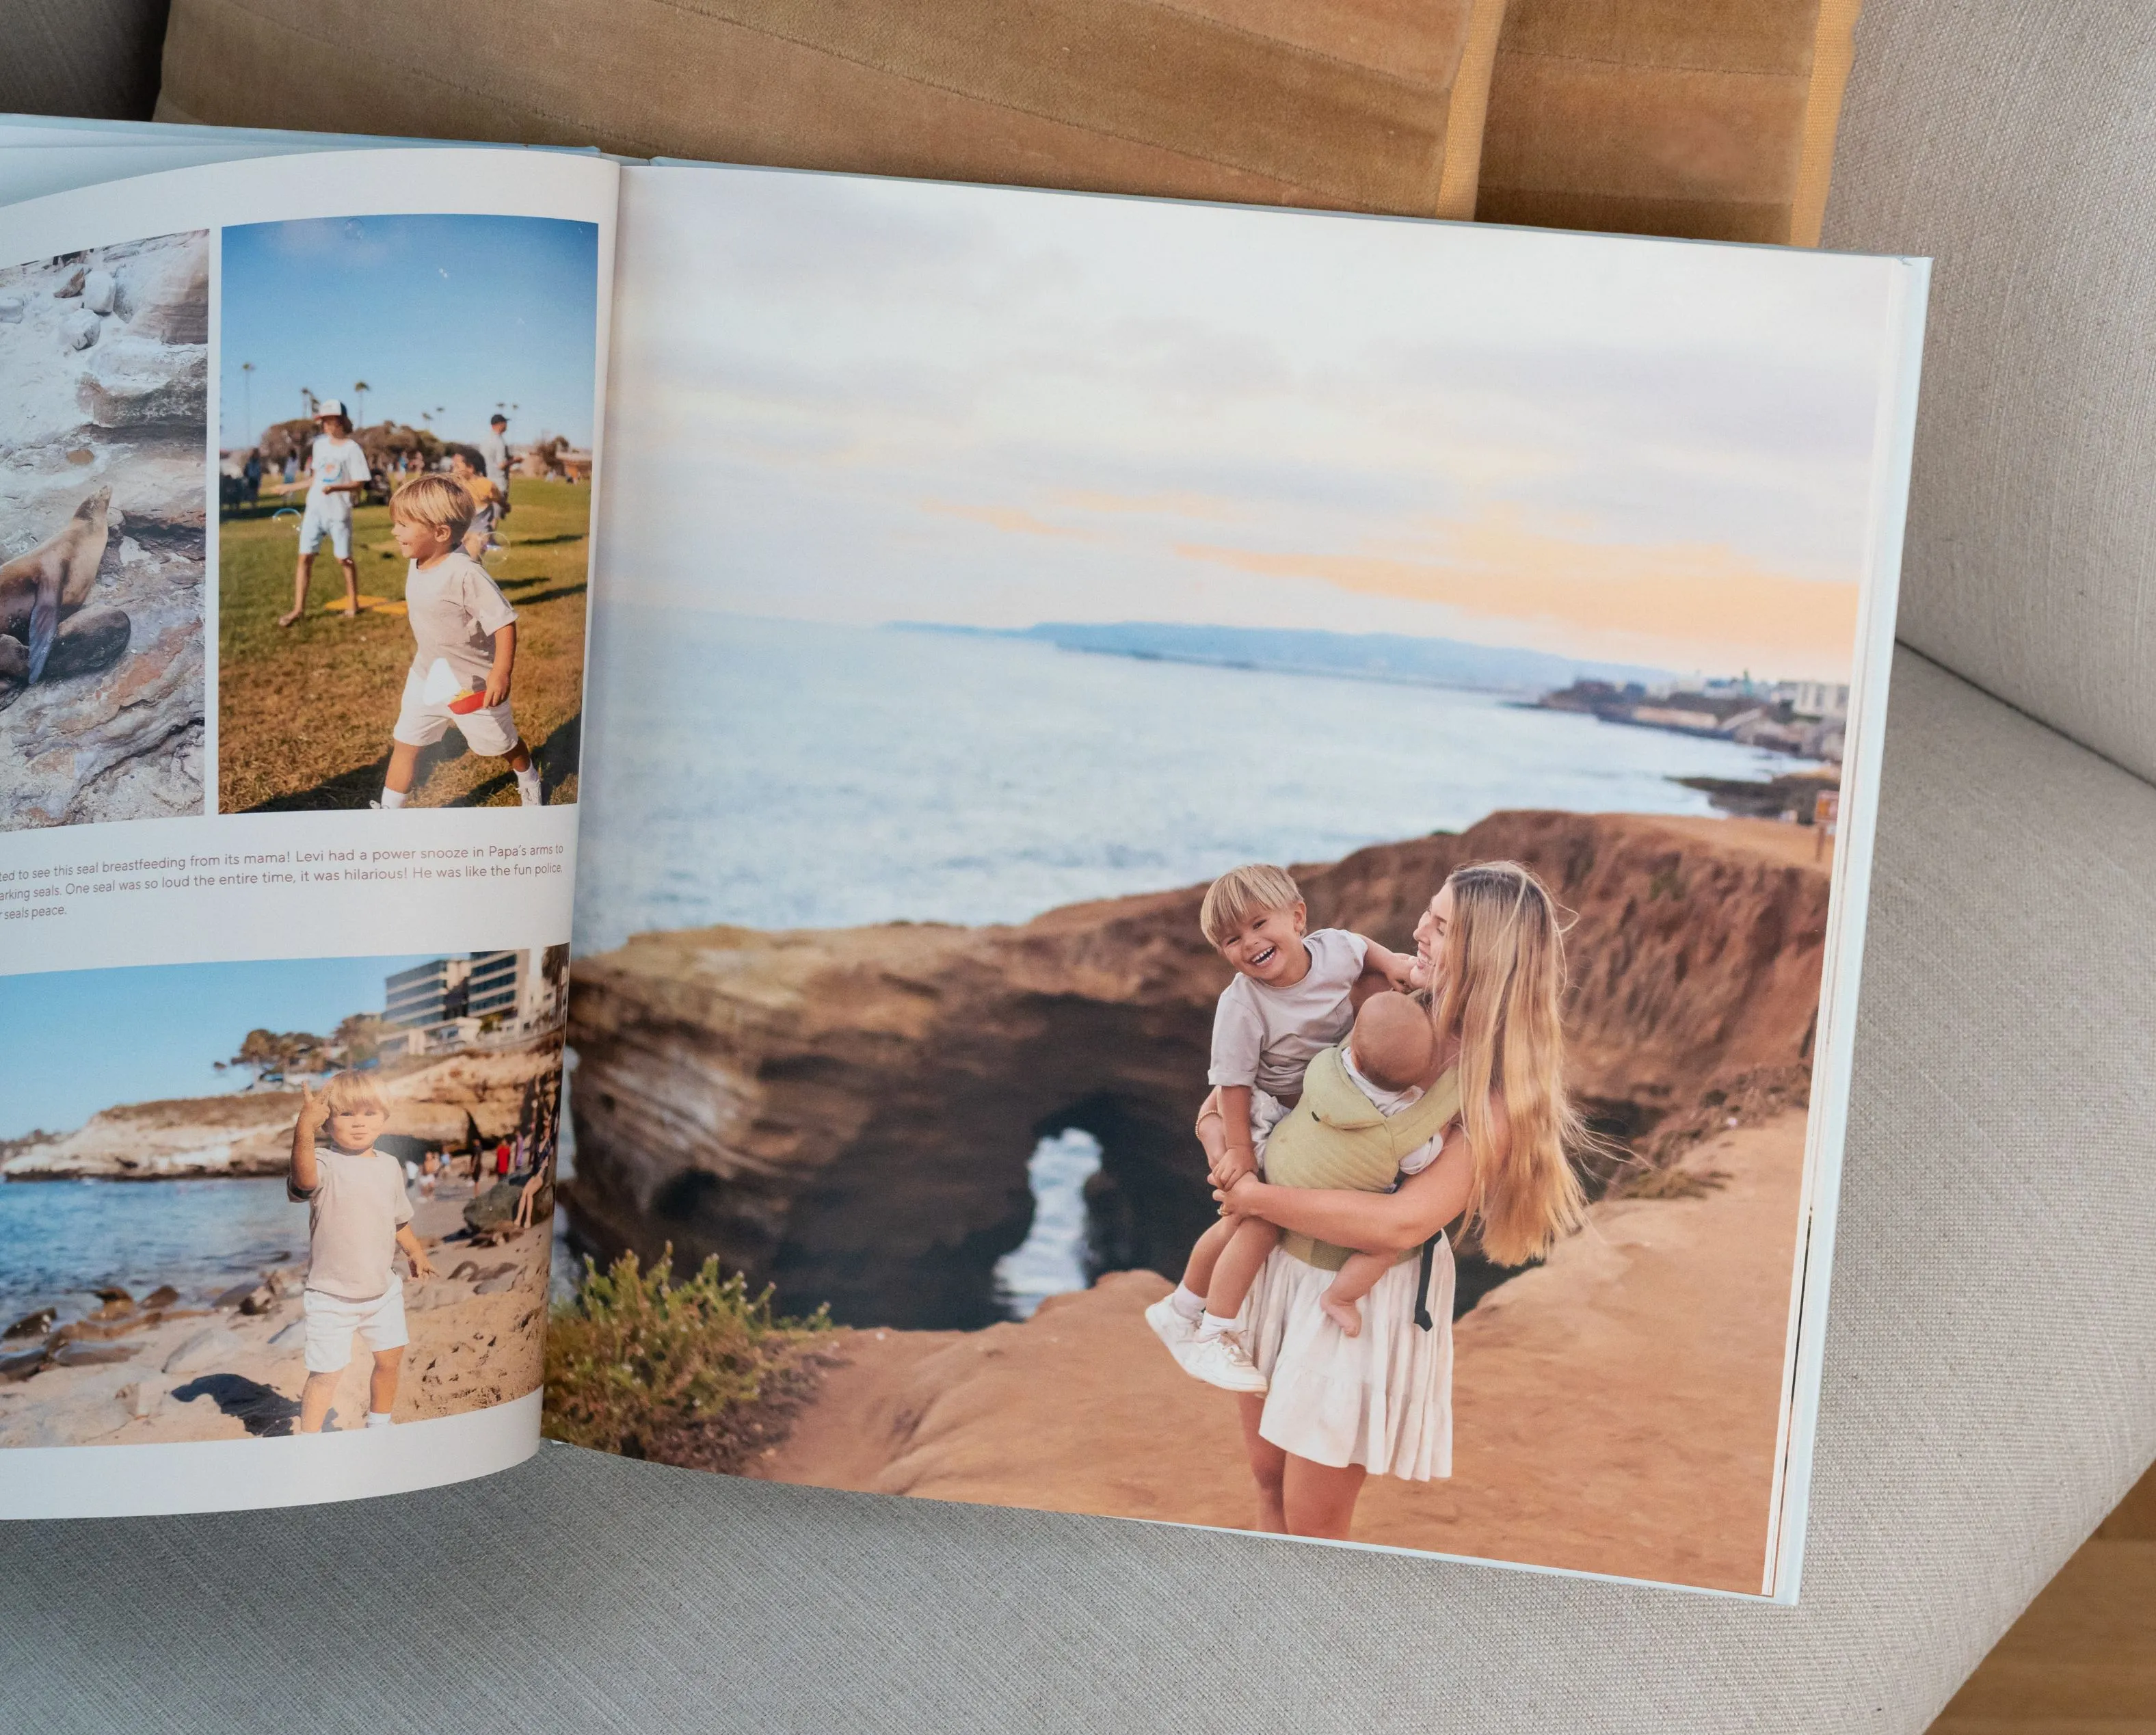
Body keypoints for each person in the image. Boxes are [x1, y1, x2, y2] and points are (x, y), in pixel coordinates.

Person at [1208, 862, 1589, 1539]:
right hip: (1279, 1268)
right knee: (1267, 1484)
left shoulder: (1494, 1092)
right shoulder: (1380, 1009)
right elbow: (1226, 1102)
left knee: (1313, 1525)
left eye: (1440, 925)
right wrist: (1227, 1159)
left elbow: (1404, 1219)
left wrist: (1258, 1197)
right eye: (1428, 912)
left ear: (1488, 953)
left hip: (1360, 1298)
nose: (1417, 929)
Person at [1142, 863, 1413, 1392]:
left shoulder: (1334, 950)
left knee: (1261, 1214)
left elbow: (1359, 946)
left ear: (1297, 917)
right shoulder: (1242, 1004)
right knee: (1261, 1215)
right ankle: (1211, 1330)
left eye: (1259, 924)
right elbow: (1234, 1085)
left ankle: (1180, 1308)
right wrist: (1239, 1150)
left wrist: (1393, 962)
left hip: (1323, 1102)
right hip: (1272, 1109)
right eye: (1230, 940)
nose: (1249, 944)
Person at [373, 474, 545, 810]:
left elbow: (504, 622)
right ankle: (388, 816)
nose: (395, 532)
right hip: (427, 676)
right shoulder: (417, 560)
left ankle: (529, 779)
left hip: (472, 686)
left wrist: (501, 673)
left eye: (404, 525)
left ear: (440, 533)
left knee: (502, 744)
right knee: (406, 743)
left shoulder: (466, 574)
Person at [286, 1070, 436, 1434]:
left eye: (369, 1113)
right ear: (327, 1123)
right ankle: (310, 1441)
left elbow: (398, 1219)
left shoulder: (389, 1166)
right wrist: (303, 1129)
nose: (358, 1124)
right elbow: (303, 1182)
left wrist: (415, 1252)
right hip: (330, 1296)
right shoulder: (323, 1162)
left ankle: (379, 1425)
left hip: (381, 1291)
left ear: (384, 1119)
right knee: (326, 1374)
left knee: (390, 1359)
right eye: (346, 1114)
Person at [277, 401, 371, 626]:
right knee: (305, 558)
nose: (326, 425)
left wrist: (336, 488)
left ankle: (353, 604)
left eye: (330, 420)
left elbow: (359, 484)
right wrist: (289, 488)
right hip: (315, 510)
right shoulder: (319, 445)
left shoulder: (352, 449)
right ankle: (298, 609)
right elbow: (316, 479)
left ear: (341, 421)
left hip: (339, 513)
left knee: (344, 559)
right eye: (324, 421)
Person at [448, 448, 507, 558]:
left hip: (479, 534)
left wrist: (506, 507)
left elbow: (500, 499)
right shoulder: (456, 485)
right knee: (456, 562)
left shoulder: (486, 485)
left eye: (457, 466)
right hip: (459, 533)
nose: (453, 470)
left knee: (471, 561)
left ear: (470, 468)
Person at [480, 413, 511, 493]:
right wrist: (515, 460)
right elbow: (501, 465)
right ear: (499, 424)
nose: (506, 425)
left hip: (485, 483)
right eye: (505, 423)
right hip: (498, 484)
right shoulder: (499, 441)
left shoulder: (485, 440)